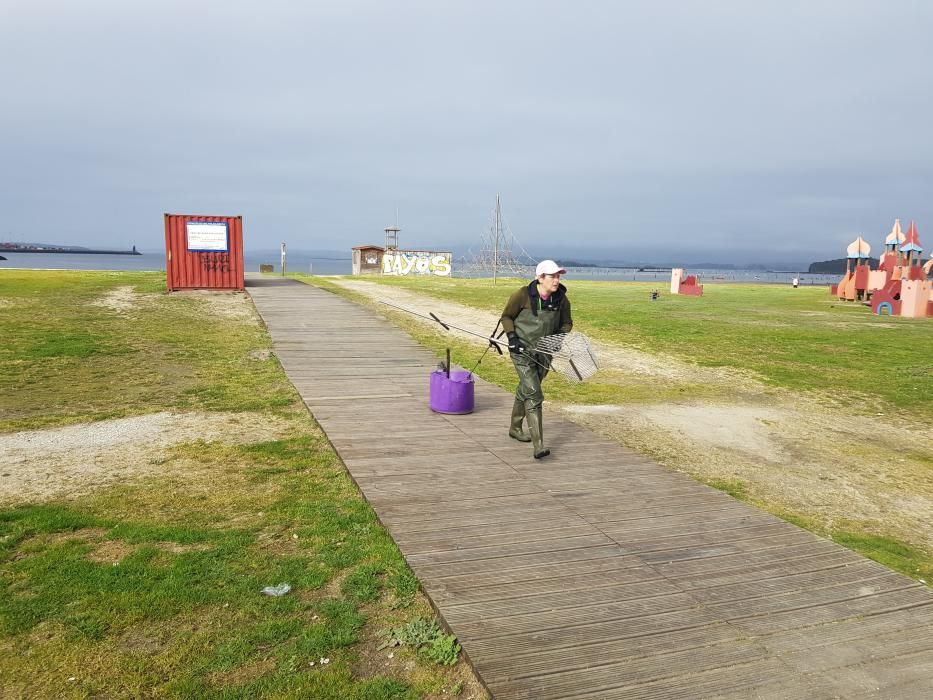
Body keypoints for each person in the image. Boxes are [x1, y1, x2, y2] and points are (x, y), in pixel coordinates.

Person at [500, 260, 573, 459]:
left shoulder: (562, 300)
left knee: (526, 388)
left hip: (544, 354)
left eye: (559, 276)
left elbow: (567, 323)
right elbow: (506, 317)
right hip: (521, 351)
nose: (557, 280)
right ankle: (538, 445)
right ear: (540, 277)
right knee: (534, 392)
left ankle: (515, 427)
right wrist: (512, 338)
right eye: (553, 276)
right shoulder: (522, 295)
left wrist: (558, 337)